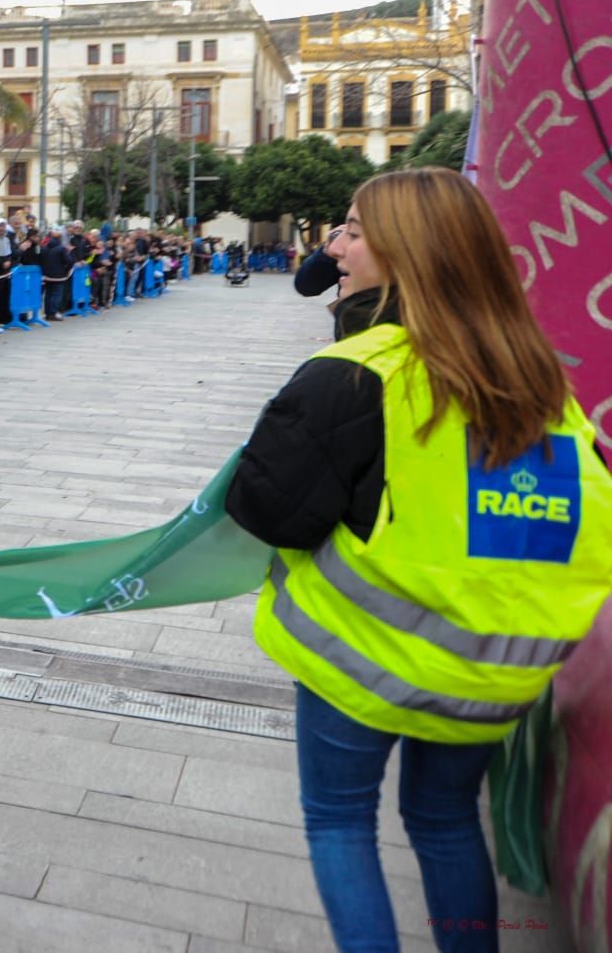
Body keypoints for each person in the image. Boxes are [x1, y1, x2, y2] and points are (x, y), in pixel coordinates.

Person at [225, 169, 612, 951]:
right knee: (442, 822)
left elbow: (271, 510)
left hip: (365, 662)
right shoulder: (542, 384)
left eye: (356, 231)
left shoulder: (360, 371)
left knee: (340, 822)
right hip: (494, 671)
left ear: (408, 254)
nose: (339, 246)